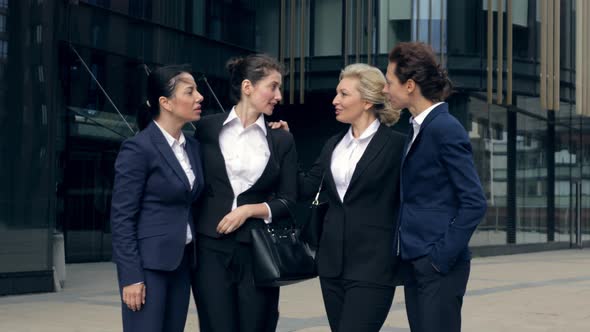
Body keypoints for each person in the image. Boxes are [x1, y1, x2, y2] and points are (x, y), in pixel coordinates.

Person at [383, 42, 487, 332]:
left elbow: (475, 201)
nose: (384, 89)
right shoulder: (416, 128)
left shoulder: (445, 127)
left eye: (389, 82)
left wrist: (439, 258)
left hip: (438, 266)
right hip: (417, 262)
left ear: (410, 85)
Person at [190, 54, 297, 332]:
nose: (279, 96)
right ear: (247, 87)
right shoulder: (206, 129)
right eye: (272, 87)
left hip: (259, 251)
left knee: (257, 325)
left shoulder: (281, 139)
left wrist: (249, 210)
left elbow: (289, 200)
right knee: (216, 325)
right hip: (209, 248)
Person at [298, 63, 405, 332]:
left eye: (343, 94)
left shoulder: (397, 145)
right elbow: (306, 187)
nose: (335, 100)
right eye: (337, 93)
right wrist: (281, 145)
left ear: (367, 100)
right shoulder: (333, 145)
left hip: (374, 264)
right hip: (332, 264)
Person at [110, 65, 205, 332]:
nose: (200, 97)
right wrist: (131, 276)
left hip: (182, 263)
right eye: (190, 92)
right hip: (148, 267)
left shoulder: (193, 147)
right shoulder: (139, 148)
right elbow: (121, 217)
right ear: (166, 102)